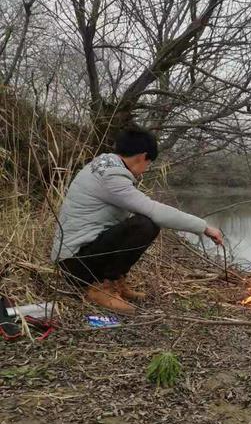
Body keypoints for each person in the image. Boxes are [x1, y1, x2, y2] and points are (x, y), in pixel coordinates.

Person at [51, 125, 223, 314]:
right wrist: (204, 227)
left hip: (77, 257)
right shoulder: (111, 177)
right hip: (74, 265)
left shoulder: (103, 165)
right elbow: (155, 211)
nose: (145, 169)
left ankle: (116, 282)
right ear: (142, 156)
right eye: (148, 163)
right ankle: (102, 288)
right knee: (145, 225)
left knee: (142, 224)